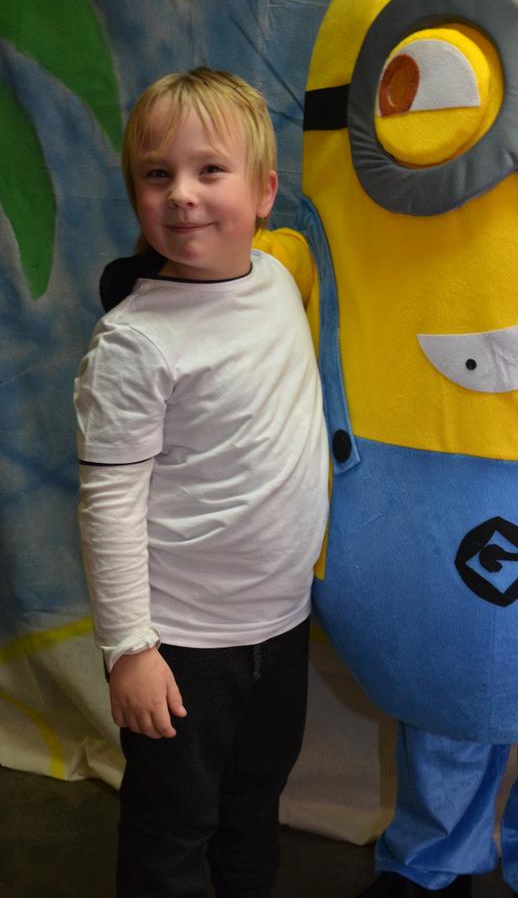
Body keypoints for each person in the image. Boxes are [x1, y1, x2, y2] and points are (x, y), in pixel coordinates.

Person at [74, 67, 329, 898]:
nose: (182, 194)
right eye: (158, 174)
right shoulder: (135, 345)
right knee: (170, 836)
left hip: (280, 629)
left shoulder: (281, 280)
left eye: (208, 170)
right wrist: (129, 650)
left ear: (263, 192)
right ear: (136, 195)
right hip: (180, 647)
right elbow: (110, 502)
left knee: (253, 811)